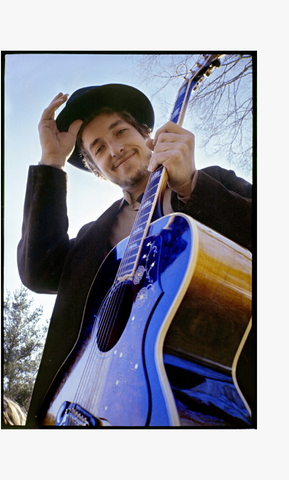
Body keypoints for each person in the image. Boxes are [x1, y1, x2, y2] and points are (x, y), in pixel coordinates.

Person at [18, 84, 253, 427]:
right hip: (87, 410)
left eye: (121, 131)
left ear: (147, 135)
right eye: (98, 148)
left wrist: (191, 186)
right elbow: (38, 272)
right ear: (97, 170)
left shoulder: (212, 182)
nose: (114, 148)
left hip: (211, 403)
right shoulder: (92, 238)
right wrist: (52, 162)